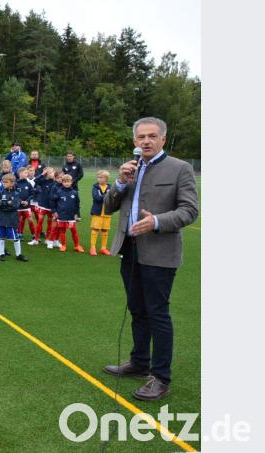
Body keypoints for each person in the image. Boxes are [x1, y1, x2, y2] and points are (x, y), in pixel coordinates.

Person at [101, 117, 199, 401]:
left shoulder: (179, 168)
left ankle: (160, 377)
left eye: (152, 136)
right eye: (141, 137)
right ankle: (139, 361)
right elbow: (108, 206)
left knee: (157, 313)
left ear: (163, 139)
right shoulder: (130, 169)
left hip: (160, 252)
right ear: (135, 141)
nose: (146, 141)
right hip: (129, 249)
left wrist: (156, 221)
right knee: (137, 309)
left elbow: (190, 210)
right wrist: (120, 182)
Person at [0, 174, 28, 262]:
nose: (4, 184)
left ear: (12, 183)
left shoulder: (16, 194)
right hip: (1, 218)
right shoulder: (0, 193)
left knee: (15, 238)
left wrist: (4, 204)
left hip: (12, 219)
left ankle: (18, 254)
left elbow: (14, 206)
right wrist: (7, 203)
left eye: (6, 182)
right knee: (1, 237)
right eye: (3, 182)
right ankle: (1, 254)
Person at [52, 174, 84, 252]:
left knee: (74, 231)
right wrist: (54, 211)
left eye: (68, 181)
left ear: (71, 182)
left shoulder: (75, 192)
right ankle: (63, 245)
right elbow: (53, 202)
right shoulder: (59, 192)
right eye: (65, 181)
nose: (67, 183)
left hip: (71, 216)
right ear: (62, 182)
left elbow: (77, 205)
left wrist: (77, 214)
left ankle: (77, 246)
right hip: (61, 215)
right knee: (62, 231)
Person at [29, 167, 55, 247]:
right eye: (50, 173)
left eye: (52, 172)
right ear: (47, 174)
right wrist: (42, 174)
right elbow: (36, 180)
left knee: (49, 223)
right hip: (43, 206)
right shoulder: (43, 181)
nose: (52, 174)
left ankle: (47, 239)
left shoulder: (54, 183)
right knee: (40, 222)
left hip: (50, 207)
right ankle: (36, 239)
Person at [90, 170, 112, 256]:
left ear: (106, 179)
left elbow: (113, 198)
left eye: (100, 177)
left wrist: (107, 196)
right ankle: (92, 248)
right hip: (97, 212)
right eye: (98, 177)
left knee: (105, 230)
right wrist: (107, 195)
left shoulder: (110, 187)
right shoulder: (95, 187)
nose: (98, 179)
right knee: (95, 229)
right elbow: (97, 198)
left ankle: (103, 248)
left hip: (107, 212)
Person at [15, 167, 35, 239]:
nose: (27, 174)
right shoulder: (16, 184)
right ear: (20, 174)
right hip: (18, 207)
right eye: (25, 173)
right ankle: (19, 234)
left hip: (27, 206)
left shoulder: (28, 184)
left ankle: (34, 235)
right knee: (18, 220)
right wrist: (20, 201)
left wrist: (27, 201)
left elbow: (32, 194)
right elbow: (14, 195)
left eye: (27, 173)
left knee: (30, 220)